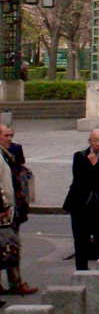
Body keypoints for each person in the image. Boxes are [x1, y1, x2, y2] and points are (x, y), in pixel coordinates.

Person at [63, 129, 99, 271]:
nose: (98, 143)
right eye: (95, 140)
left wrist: (96, 165)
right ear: (89, 141)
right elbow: (81, 180)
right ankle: (81, 270)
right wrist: (96, 170)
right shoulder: (79, 157)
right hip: (81, 205)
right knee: (81, 241)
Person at [0, 125, 36, 295]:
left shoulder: (8, 154)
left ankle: (13, 281)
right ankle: (15, 283)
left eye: (11, 135)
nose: (9, 139)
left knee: (7, 245)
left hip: (12, 207)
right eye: (6, 135)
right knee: (10, 245)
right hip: (4, 210)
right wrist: (4, 206)